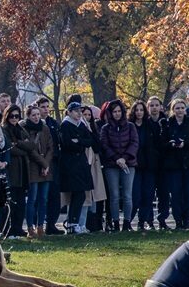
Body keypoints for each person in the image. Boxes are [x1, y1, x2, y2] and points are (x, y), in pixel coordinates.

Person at [160, 99, 189, 229]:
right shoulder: (167, 124)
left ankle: (187, 219)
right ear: (173, 110)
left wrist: (186, 143)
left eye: (182, 108)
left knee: (188, 193)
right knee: (176, 194)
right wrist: (171, 144)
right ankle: (178, 220)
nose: (180, 111)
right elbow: (161, 144)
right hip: (173, 165)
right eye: (177, 108)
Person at [98, 99, 138, 232]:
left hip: (128, 164)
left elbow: (134, 143)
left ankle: (127, 222)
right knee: (114, 195)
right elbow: (105, 145)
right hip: (111, 165)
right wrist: (116, 158)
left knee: (127, 195)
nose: (117, 114)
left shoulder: (130, 126)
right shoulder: (106, 128)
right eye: (114, 112)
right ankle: (115, 222)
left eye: (119, 111)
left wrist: (125, 158)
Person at [57, 102, 97, 233]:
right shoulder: (66, 125)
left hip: (81, 163)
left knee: (80, 194)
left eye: (80, 110)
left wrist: (79, 141)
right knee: (75, 193)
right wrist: (80, 143)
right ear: (69, 112)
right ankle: (72, 223)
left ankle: (75, 222)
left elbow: (90, 140)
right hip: (70, 164)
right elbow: (67, 143)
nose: (79, 113)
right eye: (75, 111)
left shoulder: (81, 125)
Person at [17, 105, 54, 237]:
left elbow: (51, 147)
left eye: (38, 114)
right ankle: (30, 227)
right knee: (32, 199)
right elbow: (30, 150)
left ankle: (40, 226)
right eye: (33, 115)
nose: (37, 117)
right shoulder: (24, 129)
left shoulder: (45, 128)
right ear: (28, 116)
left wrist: (47, 165)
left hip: (46, 168)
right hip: (32, 166)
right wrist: (43, 164)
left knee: (43, 199)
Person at [134, 102, 163, 231]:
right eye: (137, 110)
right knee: (136, 195)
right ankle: (131, 221)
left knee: (148, 195)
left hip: (149, 165)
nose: (139, 112)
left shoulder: (149, 125)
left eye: (141, 110)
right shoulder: (130, 126)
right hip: (135, 165)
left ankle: (145, 221)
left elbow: (157, 143)